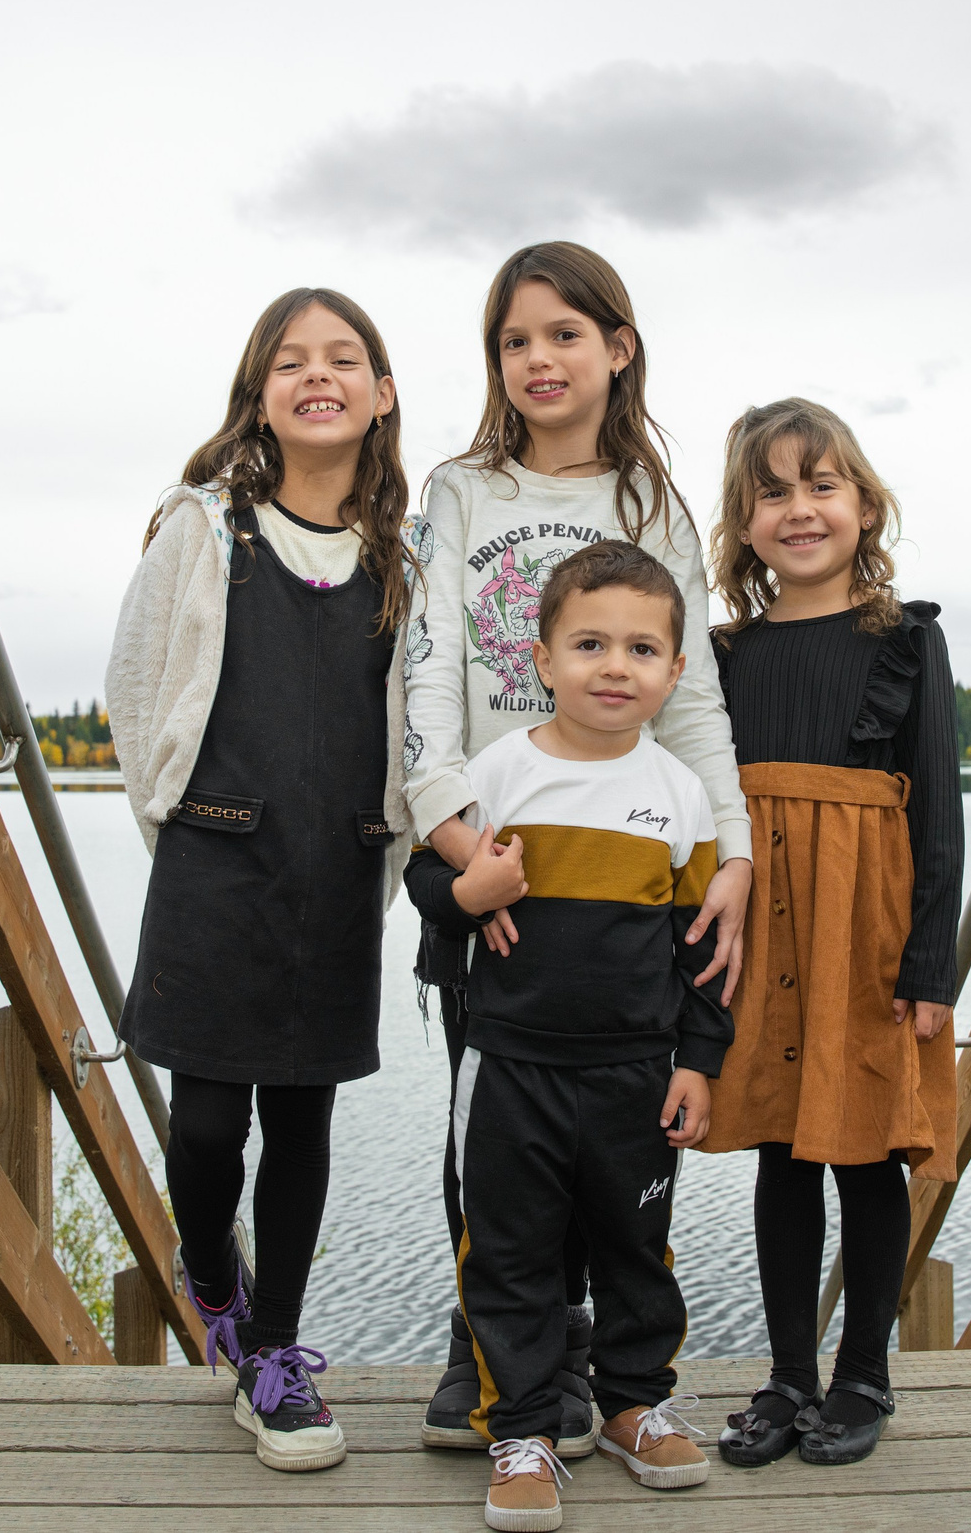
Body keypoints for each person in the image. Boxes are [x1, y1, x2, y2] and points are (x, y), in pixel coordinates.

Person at [404, 242, 755, 1455]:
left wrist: (737, 856)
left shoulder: (652, 507)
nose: (539, 359)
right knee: (490, 1121)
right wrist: (461, 849)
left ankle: (598, 1383)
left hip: (627, 849)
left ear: (618, 347)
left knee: (607, 1146)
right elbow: (427, 674)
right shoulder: (461, 490)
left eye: (564, 333)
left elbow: (697, 695)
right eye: (515, 340)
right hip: (490, 841)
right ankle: (494, 1357)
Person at [102, 287, 421, 1472]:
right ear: (260, 395)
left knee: (302, 1118)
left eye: (345, 359)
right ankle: (205, 1264)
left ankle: (274, 1355)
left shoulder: (404, 556)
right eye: (292, 361)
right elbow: (137, 691)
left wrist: (384, 846)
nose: (319, 375)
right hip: (212, 860)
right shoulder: (203, 526)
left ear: (381, 394)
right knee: (204, 1121)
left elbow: (412, 718)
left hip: (336, 866)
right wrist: (177, 826)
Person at [405, 540, 730, 1532]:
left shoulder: (681, 794)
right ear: (541, 659)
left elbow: (701, 952)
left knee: (637, 1246)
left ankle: (635, 1401)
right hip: (510, 1069)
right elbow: (429, 885)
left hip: (633, 1074)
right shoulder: (496, 774)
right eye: (589, 643)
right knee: (510, 1253)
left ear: (675, 671)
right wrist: (468, 891)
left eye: (641, 647)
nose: (614, 665)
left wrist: (698, 1061)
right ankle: (525, 1429)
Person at [697, 397, 965, 1468]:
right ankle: (787, 1375)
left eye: (821, 486)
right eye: (772, 492)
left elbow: (938, 806)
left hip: (869, 924)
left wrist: (930, 961)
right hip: (766, 921)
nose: (799, 509)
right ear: (744, 521)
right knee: (779, 1142)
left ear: (863, 504)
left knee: (863, 1148)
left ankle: (863, 1372)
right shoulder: (727, 653)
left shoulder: (905, 640)